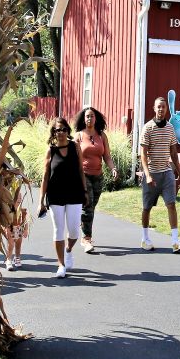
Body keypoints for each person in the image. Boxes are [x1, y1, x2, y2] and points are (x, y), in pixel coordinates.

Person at [38, 117, 89, 278]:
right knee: (58, 230)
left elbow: (81, 170)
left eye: (63, 129)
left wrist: (85, 191)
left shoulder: (75, 147)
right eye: (57, 130)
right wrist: (41, 201)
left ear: (68, 131)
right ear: (53, 133)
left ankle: (68, 250)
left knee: (74, 231)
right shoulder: (50, 151)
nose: (61, 133)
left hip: (74, 193)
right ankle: (61, 265)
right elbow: (45, 177)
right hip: (55, 195)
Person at [139, 97, 180, 253]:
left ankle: (175, 241)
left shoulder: (170, 128)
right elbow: (143, 155)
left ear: (166, 109)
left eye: (163, 107)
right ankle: (145, 239)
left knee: (171, 205)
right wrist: (148, 175)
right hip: (151, 173)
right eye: (158, 107)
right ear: (154, 108)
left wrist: (179, 173)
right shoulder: (148, 128)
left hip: (166, 173)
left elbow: (174, 152)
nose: (161, 110)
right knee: (146, 208)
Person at [74, 107, 118, 253]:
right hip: (83, 175)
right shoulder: (79, 136)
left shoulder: (102, 136)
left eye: (92, 116)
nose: (89, 119)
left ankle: (83, 228)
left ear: (96, 118)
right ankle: (86, 238)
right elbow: (73, 158)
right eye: (87, 116)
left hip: (98, 176)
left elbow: (107, 156)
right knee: (88, 206)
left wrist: (113, 168)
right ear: (83, 119)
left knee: (91, 207)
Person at [5, 173, 29, 271]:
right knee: (11, 245)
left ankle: (17, 257)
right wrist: (7, 229)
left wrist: (25, 230)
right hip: (11, 229)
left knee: (18, 244)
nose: (19, 200)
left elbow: (25, 221)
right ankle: (8, 260)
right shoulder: (9, 210)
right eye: (17, 198)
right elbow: (6, 221)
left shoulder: (22, 210)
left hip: (19, 229)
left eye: (20, 198)